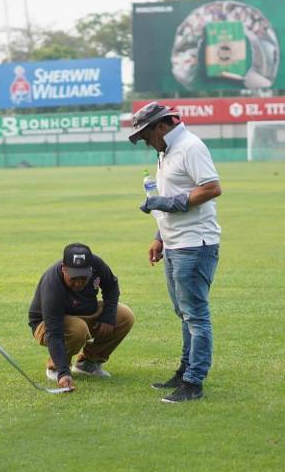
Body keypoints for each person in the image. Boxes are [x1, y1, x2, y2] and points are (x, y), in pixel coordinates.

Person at [129, 101, 223, 403]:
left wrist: (170, 204)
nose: (145, 141)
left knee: (195, 315)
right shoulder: (166, 150)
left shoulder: (190, 146)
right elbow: (170, 194)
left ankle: (194, 382)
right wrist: (160, 235)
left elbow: (211, 188)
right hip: (174, 243)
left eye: (146, 135)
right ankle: (185, 372)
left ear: (161, 126)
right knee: (183, 313)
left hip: (195, 245)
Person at [28, 243, 135, 391]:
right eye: (73, 278)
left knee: (124, 315)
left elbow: (111, 287)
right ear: (63, 268)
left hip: (84, 314)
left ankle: (88, 363)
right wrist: (64, 373)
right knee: (78, 329)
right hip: (46, 324)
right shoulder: (52, 284)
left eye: (83, 278)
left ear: (90, 269)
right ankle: (56, 368)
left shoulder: (97, 264)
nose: (78, 282)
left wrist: (108, 317)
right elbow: (54, 332)